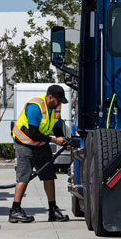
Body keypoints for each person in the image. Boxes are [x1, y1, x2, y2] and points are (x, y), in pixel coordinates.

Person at [9, 84, 71, 223]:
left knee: (49, 176)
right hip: (25, 144)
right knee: (24, 176)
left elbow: (57, 127)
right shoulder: (35, 107)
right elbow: (33, 133)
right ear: (50, 97)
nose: (59, 103)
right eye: (58, 100)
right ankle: (15, 210)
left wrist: (65, 142)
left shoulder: (56, 108)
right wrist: (55, 140)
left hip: (41, 144)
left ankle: (53, 210)